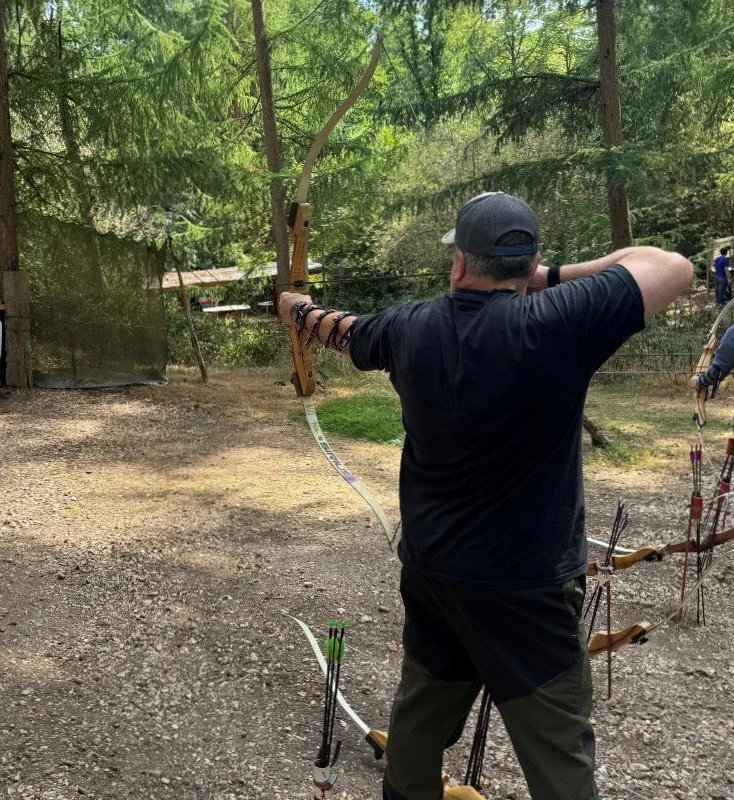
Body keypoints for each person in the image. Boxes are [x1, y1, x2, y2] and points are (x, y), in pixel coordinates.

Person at [277, 192, 693, 800]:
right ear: (530, 262)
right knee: (557, 753)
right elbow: (671, 266)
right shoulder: (561, 321)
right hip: (527, 589)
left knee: (420, 718)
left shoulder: (409, 327)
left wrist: (296, 308)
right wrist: (546, 276)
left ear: (458, 263)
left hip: (436, 572)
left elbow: (341, 330)